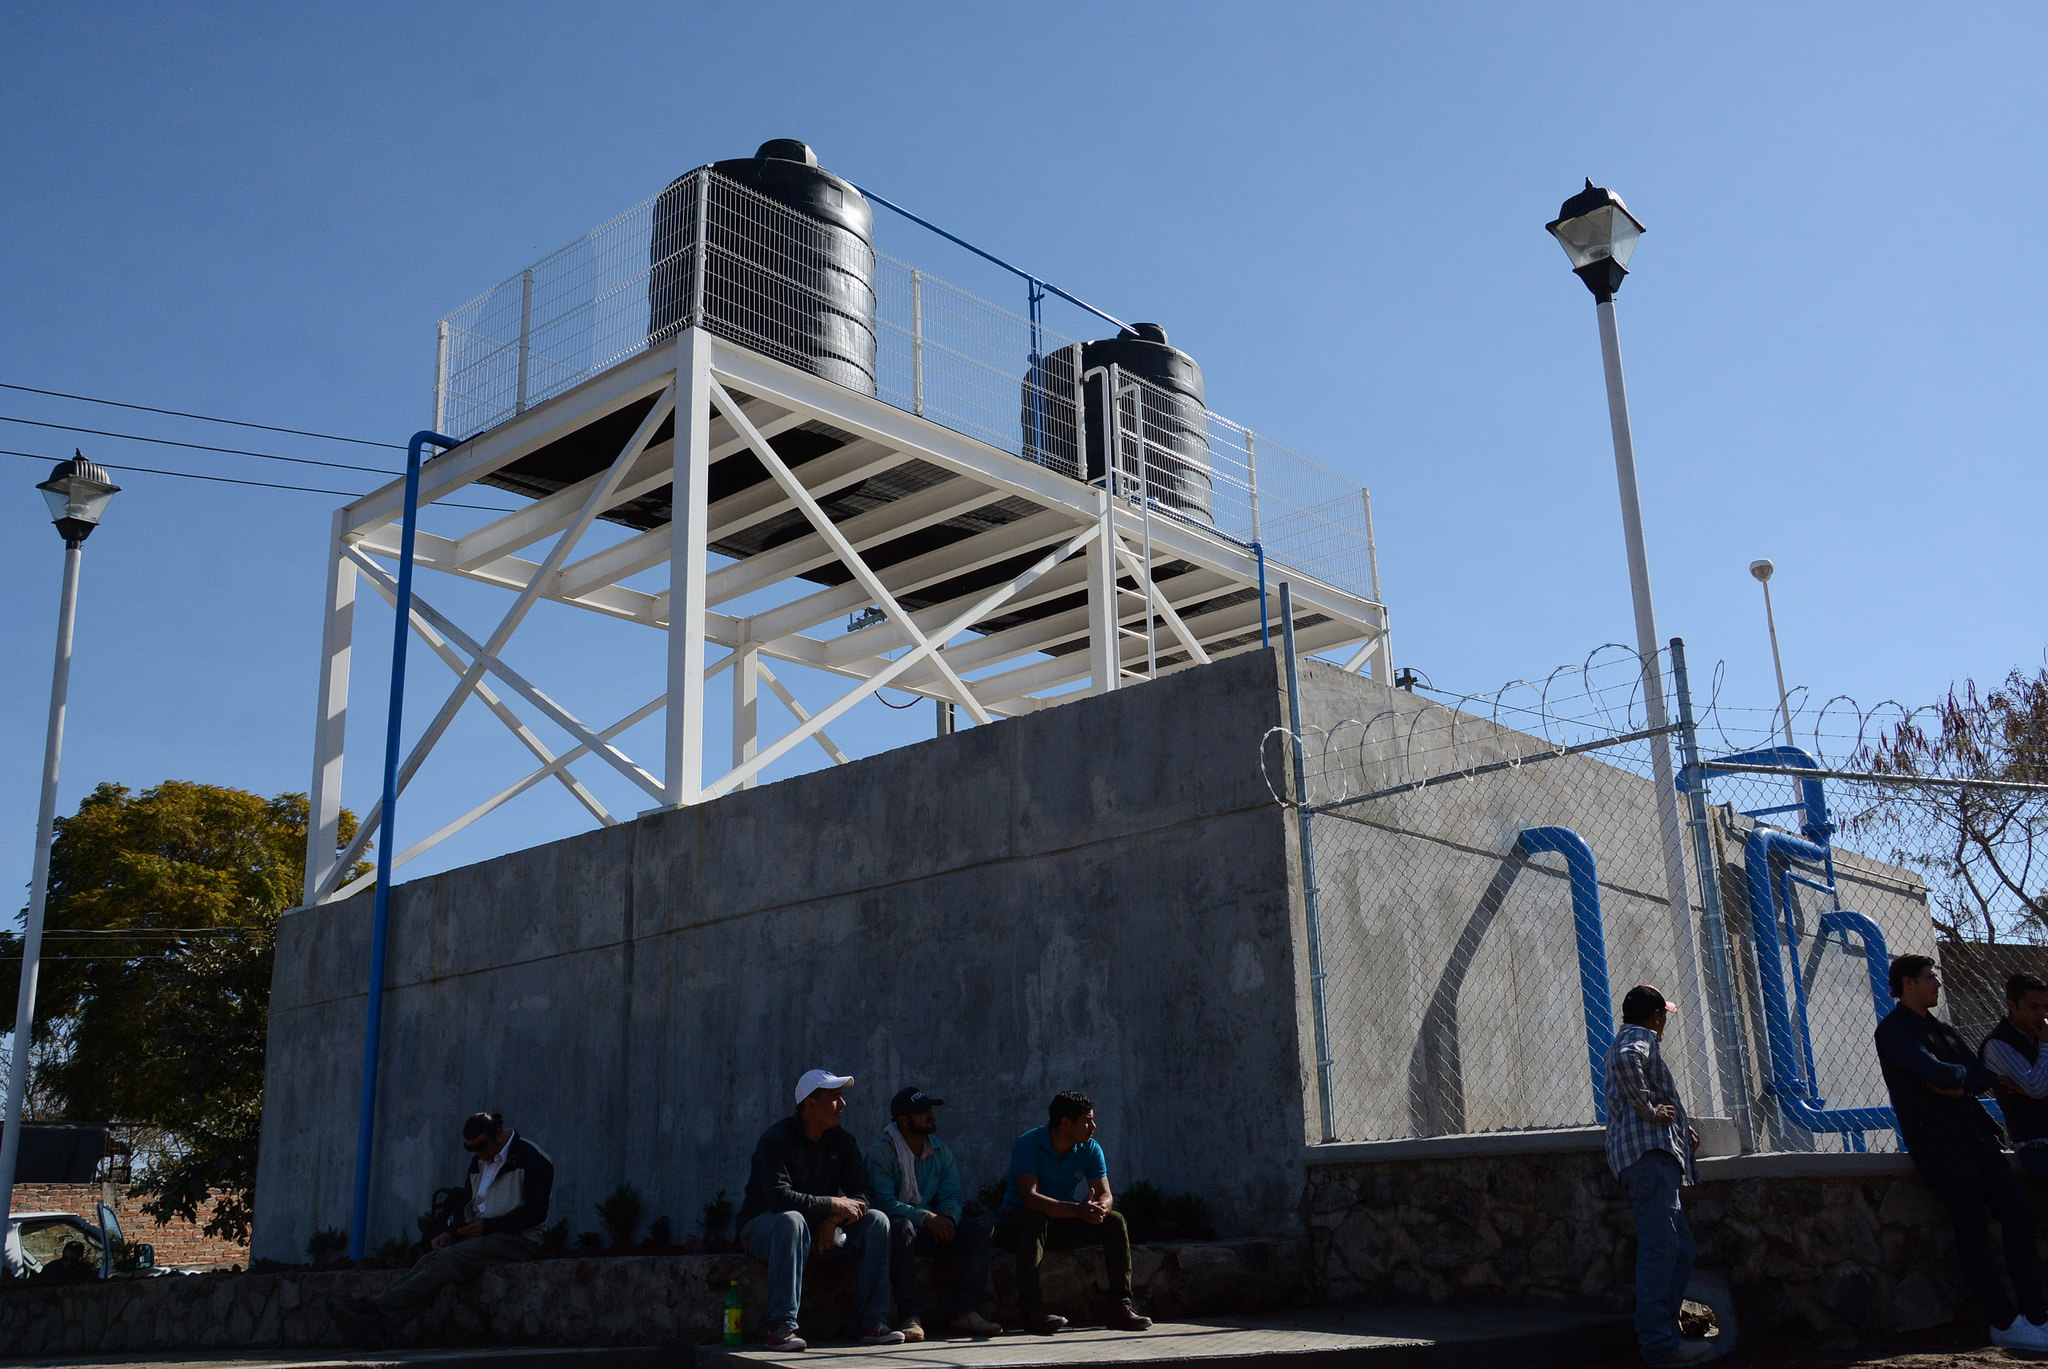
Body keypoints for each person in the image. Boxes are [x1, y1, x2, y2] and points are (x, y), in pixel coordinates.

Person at [1877, 955, 2048, 1352]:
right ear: (1907, 984)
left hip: (1975, 1138)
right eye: (1929, 979)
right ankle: (2004, 1321)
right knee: (1971, 1227)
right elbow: (1938, 1073)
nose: (1937, 985)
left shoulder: (1944, 1030)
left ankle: (2036, 1315)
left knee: (2019, 1216)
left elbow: (1981, 1074)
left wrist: (1957, 1084)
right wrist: (1954, 1080)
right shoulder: (1894, 1031)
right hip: (1938, 1145)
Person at [326, 1112, 554, 1349]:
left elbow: (536, 1213)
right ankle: (381, 1327)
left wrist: (489, 1226)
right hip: (483, 1236)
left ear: (499, 1134)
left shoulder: (533, 1158)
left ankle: (373, 1309)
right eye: (472, 1150)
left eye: (483, 1147)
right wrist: (452, 1233)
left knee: (447, 1260)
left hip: (519, 1239)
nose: (480, 1154)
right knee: (430, 1260)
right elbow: (468, 1202)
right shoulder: (479, 1162)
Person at [736, 1069, 903, 1351]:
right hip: (766, 1230)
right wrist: (833, 1203)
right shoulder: (775, 1140)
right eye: (835, 1098)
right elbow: (779, 1199)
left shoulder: (843, 1141)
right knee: (791, 1221)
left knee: (877, 1221)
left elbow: (863, 1193)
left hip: (818, 1229)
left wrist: (834, 1220)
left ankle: (874, 1324)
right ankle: (780, 1328)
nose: (844, 1105)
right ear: (810, 1104)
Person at [1602, 984, 1712, 1367]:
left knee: (1679, 1249)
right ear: (1656, 1016)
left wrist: (1679, 1127)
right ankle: (1660, 1346)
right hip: (1648, 1159)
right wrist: (1650, 1110)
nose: (1664, 1021)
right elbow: (1624, 1061)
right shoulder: (1639, 1038)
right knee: (1661, 1252)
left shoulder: (1633, 1036)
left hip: (1649, 1160)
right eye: (1664, 1014)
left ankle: (1664, 1336)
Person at [995, 1091, 1150, 1335]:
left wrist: (1100, 1208)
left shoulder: (1090, 1148)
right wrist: (1076, 1210)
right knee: (1034, 1218)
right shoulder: (1028, 1143)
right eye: (1087, 1120)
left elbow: (1106, 1194)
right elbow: (1029, 1198)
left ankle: (1120, 1307)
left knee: (1115, 1220)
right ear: (1065, 1123)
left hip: (1062, 1221)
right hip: (1018, 1224)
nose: (1094, 1126)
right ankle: (1032, 1312)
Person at [865, 1086, 1002, 1340]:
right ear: (904, 1121)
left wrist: (949, 1219)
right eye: (922, 1112)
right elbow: (883, 1203)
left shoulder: (940, 1152)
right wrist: (928, 1218)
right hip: (901, 1233)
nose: (931, 1115)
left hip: (934, 1229)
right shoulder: (882, 1154)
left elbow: (951, 1195)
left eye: (931, 1110)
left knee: (982, 1228)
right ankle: (910, 1315)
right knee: (899, 1226)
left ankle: (965, 1312)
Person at [1981, 973, 2048, 1184]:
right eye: (2033, 1007)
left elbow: (2034, 1086)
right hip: (2037, 1142)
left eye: (2046, 1006)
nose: (2043, 1013)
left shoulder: (2041, 1035)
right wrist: (2047, 1046)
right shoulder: (1998, 1043)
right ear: (2012, 1005)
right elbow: (2037, 1088)